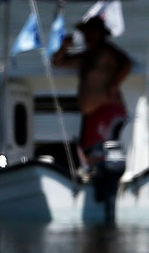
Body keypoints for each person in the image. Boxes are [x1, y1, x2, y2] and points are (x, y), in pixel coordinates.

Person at [52, 14, 133, 167]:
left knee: (102, 153)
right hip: (91, 114)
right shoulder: (86, 56)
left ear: (100, 33)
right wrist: (64, 46)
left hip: (106, 110)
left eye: (91, 32)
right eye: (86, 32)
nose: (87, 35)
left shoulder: (108, 52)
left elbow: (127, 63)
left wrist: (114, 83)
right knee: (88, 152)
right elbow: (59, 62)